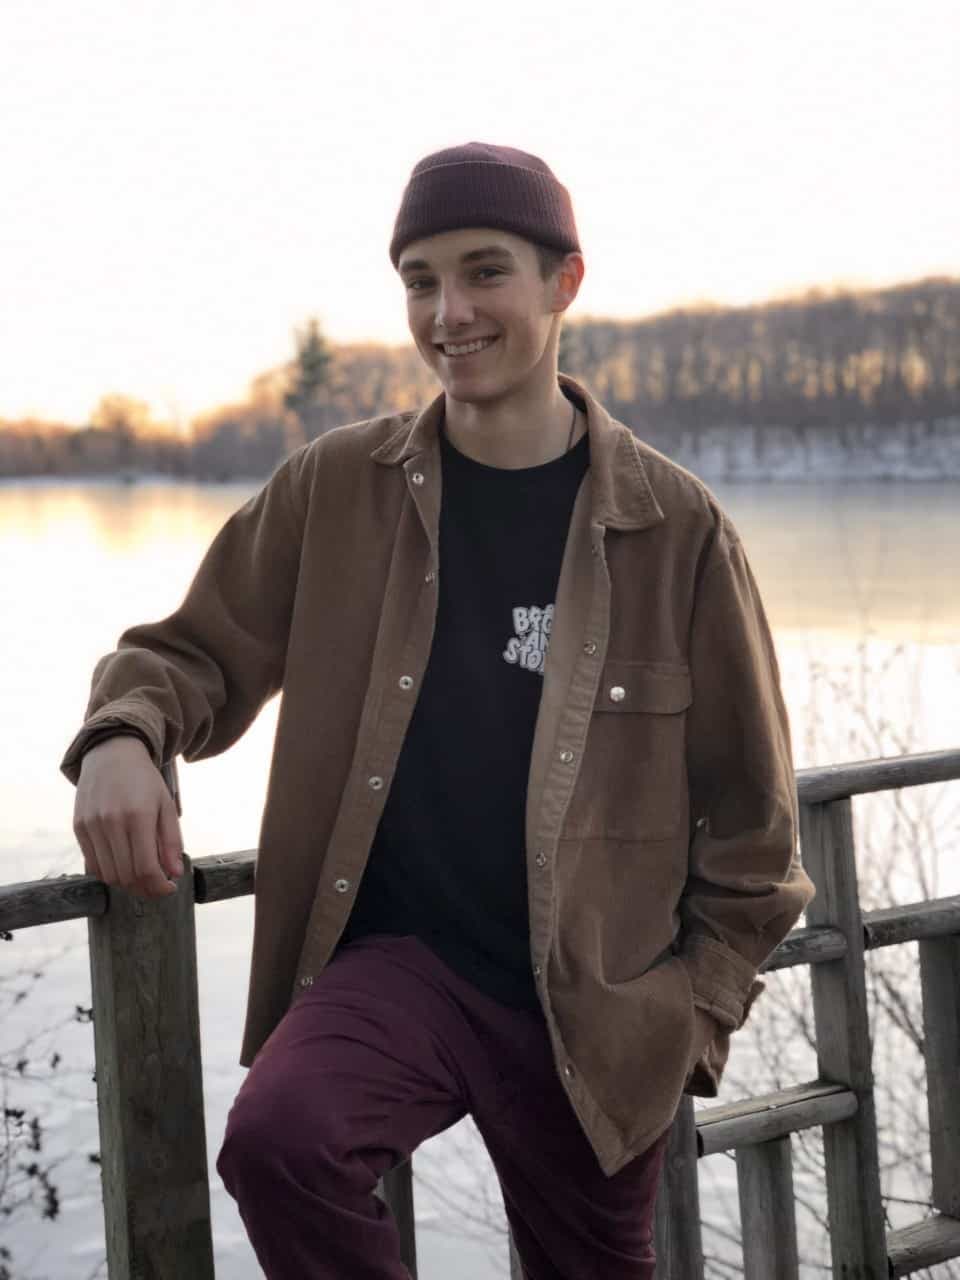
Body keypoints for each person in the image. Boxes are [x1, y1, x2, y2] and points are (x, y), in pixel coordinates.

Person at [61, 142, 816, 1279]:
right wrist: (123, 735)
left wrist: (685, 1018)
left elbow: (757, 834)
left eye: (484, 272)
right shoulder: (335, 488)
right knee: (280, 1143)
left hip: (599, 1008)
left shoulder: (679, 531)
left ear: (564, 283)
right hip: (401, 970)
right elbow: (186, 655)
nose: (449, 312)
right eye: (421, 280)